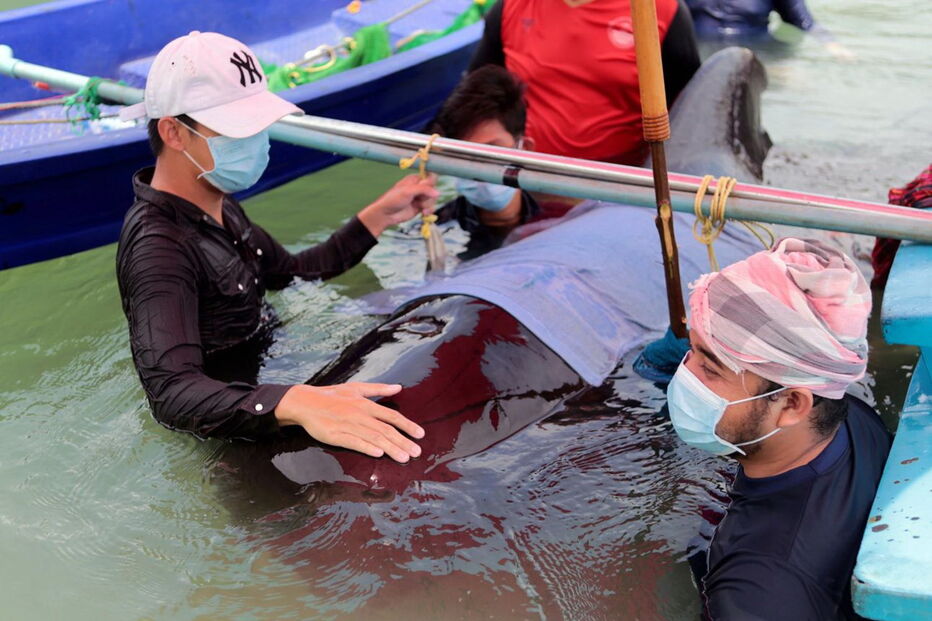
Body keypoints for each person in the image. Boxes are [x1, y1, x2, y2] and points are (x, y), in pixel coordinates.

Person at [116, 31, 439, 463]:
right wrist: (292, 402)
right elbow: (171, 393)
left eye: (258, 125)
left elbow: (294, 272)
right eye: (237, 129)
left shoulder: (219, 206)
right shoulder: (158, 248)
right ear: (174, 132)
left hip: (273, 377)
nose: (256, 141)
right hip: (235, 430)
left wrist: (379, 214)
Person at [664, 238, 891, 619]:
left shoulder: (756, 591)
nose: (684, 373)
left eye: (709, 367)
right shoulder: (847, 414)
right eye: (693, 350)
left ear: (790, 404)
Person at [468, 0, 701, 166]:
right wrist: (433, 156)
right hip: (530, 181)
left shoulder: (660, 10)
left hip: (625, 192)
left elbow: (694, 114)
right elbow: (473, 99)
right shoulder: (511, 7)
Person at [427, 64, 552, 259]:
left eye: (492, 150)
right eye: (464, 155)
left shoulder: (558, 220)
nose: (479, 168)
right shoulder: (432, 234)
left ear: (525, 149)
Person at [685, 0, 853, 58]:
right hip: (697, 49)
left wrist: (832, 45)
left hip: (760, 51)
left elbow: (804, 21)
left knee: (794, 81)